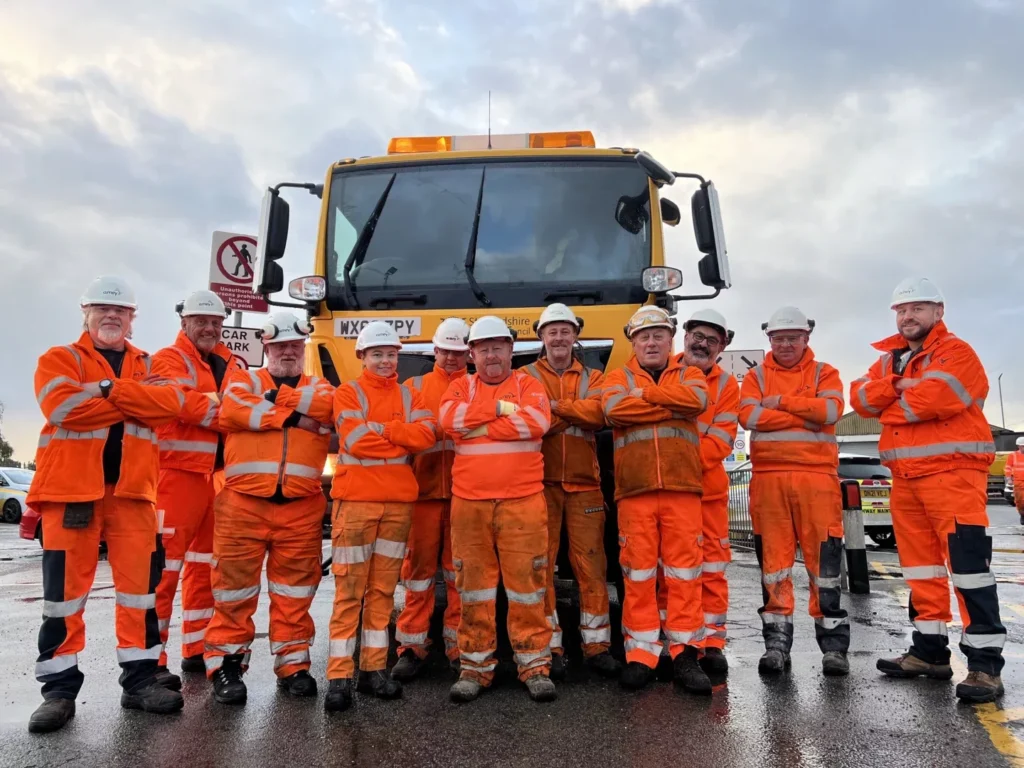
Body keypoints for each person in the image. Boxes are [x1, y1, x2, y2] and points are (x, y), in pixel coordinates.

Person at [27, 276, 187, 733]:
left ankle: (140, 682)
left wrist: (104, 389)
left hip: (133, 494)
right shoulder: (60, 358)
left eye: (120, 310)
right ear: (86, 313)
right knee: (62, 599)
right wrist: (134, 398)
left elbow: (170, 405)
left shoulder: (151, 363)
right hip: (71, 494)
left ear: (133, 318)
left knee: (140, 594)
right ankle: (58, 693)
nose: (112, 316)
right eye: (102, 309)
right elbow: (63, 409)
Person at [851, 277, 1005, 703]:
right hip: (906, 479)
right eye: (901, 310)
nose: (908, 317)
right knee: (921, 571)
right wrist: (896, 387)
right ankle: (929, 652)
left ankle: (985, 667)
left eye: (917, 308)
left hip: (953, 475)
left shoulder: (957, 352)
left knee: (969, 569)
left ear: (938, 311)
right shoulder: (888, 360)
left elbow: (936, 400)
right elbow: (860, 399)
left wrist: (890, 404)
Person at [204, 312, 334, 705]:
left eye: (294, 345)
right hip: (243, 504)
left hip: (301, 507)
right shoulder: (244, 381)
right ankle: (227, 664)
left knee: (295, 592)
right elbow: (233, 410)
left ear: (303, 347)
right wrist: (297, 419)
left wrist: (276, 404)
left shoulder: (322, 387)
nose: (288, 352)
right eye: (280, 346)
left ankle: (293, 665)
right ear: (267, 347)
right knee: (233, 591)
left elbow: (329, 408)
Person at [438, 316, 555, 703]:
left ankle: (534, 666)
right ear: (471, 354)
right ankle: (474, 668)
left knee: (528, 587)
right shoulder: (459, 386)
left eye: (498, 347)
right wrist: (503, 410)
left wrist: (480, 426)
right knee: (472, 589)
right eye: (484, 348)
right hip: (469, 504)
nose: (491, 355)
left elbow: (536, 423)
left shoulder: (529, 384)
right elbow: (449, 421)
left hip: (523, 502)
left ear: (510, 350)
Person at [325, 322, 435, 712]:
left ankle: (372, 670)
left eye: (390, 354)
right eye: (377, 354)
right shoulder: (347, 392)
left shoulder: (410, 394)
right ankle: (339, 676)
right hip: (357, 503)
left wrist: (384, 430)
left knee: (383, 592)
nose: (386, 361)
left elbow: (426, 436)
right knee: (349, 592)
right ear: (362, 357)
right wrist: (400, 435)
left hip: (397, 505)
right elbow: (356, 441)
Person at [601, 305, 711, 694]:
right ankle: (641, 655)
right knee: (638, 575)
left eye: (658, 336)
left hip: (682, 489)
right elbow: (614, 409)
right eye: (644, 337)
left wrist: (645, 395)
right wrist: (668, 404)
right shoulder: (616, 378)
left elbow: (696, 401)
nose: (651, 343)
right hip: (635, 491)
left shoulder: (691, 374)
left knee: (685, 575)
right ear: (633, 343)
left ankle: (685, 654)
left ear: (670, 340)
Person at [739, 306, 850, 677]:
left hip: (817, 480)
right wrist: (807, 414)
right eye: (778, 338)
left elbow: (831, 412)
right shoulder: (755, 376)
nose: (785, 344)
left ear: (806, 338)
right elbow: (749, 417)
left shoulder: (824, 372)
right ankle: (776, 647)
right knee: (774, 566)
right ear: (769, 339)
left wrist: (782, 403)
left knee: (825, 567)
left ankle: (834, 649)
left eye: (792, 338)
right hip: (768, 480)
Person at [519, 303, 620, 680]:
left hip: (585, 486)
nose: (559, 337)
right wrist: (571, 412)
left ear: (576, 335)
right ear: (541, 336)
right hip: (539, 485)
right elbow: (531, 422)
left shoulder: (596, 376)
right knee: (540, 567)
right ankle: (551, 647)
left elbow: (600, 415)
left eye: (565, 331)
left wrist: (554, 408)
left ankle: (597, 646)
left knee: (592, 567)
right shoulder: (525, 377)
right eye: (552, 331)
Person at [150, 290, 244, 690]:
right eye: (201, 321)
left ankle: (197, 648)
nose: (209, 328)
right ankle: (150, 661)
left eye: (215, 322)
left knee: (205, 570)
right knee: (163, 572)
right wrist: (230, 412)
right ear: (184, 322)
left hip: (215, 478)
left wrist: (219, 407)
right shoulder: (167, 359)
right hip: (174, 477)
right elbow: (180, 404)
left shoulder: (230, 362)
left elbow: (239, 404)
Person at [392, 318, 471, 682]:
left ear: (468, 353)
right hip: (421, 494)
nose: (451, 358)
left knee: (461, 576)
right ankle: (411, 647)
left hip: (464, 495)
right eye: (445, 351)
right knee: (417, 575)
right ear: (434, 351)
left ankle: (460, 647)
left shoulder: (477, 386)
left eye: (458, 352)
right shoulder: (413, 387)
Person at [674, 308, 740, 675]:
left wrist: (672, 460)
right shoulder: (663, 371)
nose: (702, 344)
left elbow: (721, 441)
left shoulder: (727, 386)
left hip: (706, 493)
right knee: (673, 571)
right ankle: (677, 642)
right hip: (671, 493)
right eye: (697, 336)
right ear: (685, 337)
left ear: (722, 346)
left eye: (711, 340)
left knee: (712, 569)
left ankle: (712, 643)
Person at [1005, 438, 1024, 524]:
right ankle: (1022, 515)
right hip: (1018, 482)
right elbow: (1008, 467)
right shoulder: (1013, 456)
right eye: (1022, 446)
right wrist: (1009, 478)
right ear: (1018, 446)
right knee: (1020, 501)